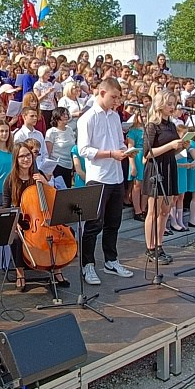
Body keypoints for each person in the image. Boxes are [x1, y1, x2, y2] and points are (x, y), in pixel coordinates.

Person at [75, 78, 134, 284]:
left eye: (118, 98)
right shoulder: (88, 118)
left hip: (116, 175)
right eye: (113, 97)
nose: (116, 101)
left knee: (113, 222)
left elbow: (119, 141)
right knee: (93, 224)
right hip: (98, 177)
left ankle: (111, 259)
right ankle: (87, 264)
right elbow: (84, 150)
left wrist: (125, 151)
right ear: (101, 93)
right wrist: (110, 153)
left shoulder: (115, 116)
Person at [4, 142, 71, 291]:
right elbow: (5, 207)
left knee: (58, 233)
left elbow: (53, 198)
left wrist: (46, 184)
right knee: (15, 239)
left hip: (41, 216)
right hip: (22, 220)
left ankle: (57, 270)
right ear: (16, 159)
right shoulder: (10, 180)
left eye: (28, 155)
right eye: (22, 156)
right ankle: (20, 273)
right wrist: (15, 223)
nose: (26, 159)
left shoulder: (38, 174)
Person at [142, 91, 183, 265]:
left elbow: (171, 150)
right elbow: (148, 153)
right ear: (160, 104)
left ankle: (160, 245)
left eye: (174, 103)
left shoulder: (172, 126)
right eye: (169, 103)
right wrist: (170, 145)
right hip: (156, 168)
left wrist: (181, 146)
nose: (172, 107)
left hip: (169, 166)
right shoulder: (152, 125)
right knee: (154, 211)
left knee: (166, 209)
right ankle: (150, 247)